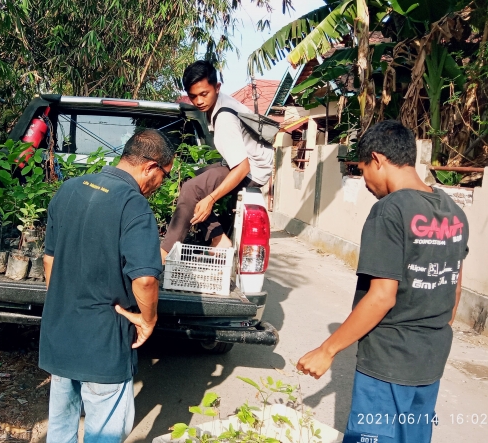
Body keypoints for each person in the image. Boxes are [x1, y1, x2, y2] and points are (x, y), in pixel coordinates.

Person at [296, 121, 470, 443]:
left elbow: (382, 297)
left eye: (363, 170)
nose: (365, 182)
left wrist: (327, 349)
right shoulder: (454, 213)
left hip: (387, 364)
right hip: (429, 363)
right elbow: (454, 286)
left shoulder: (389, 211)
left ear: (377, 159)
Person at [40, 129, 174, 442]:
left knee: (60, 425)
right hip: (104, 339)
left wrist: (66, 303)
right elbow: (144, 278)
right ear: (151, 167)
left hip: (61, 333)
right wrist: (148, 319)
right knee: (105, 431)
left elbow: (50, 261)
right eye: (165, 176)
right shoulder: (133, 205)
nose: (161, 184)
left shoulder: (70, 188)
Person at [161, 60, 273, 259]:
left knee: (191, 189)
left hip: (252, 170)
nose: (199, 101)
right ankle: (218, 237)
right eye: (193, 96)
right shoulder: (219, 104)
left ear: (217, 87)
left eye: (204, 94)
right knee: (190, 179)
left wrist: (210, 199)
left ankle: (164, 253)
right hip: (248, 164)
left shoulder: (224, 120)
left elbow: (242, 167)